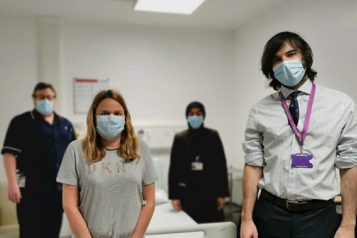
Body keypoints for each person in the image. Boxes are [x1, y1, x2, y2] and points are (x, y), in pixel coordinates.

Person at [240, 31, 357, 238]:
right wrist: (246, 218)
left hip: (319, 217)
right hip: (269, 213)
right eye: (277, 59)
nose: (284, 62)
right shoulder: (260, 110)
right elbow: (253, 163)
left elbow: (349, 165)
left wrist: (348, 225)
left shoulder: (341, 104)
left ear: (306, 55)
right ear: (271, 68)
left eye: (291, 54)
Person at [57, 90, 157, 238]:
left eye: (117, 113)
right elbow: (69, 205)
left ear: (125, 117)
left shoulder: (140, 149)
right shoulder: (76, 150)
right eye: (104, 113)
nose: (111, 118)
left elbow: (149, 201)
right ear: (94, 118)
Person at [2, 82, 76, 238]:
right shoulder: (21, 122)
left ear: (55, 99)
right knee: (30, 232)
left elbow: (74, 158)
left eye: (49, 97)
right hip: (30, 190)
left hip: (57, 191)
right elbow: (9, 153)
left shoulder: (65, 125)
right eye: (41, 97)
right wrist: (12, 183)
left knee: (52, 232)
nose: (46, 100)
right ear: (34, 99)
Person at [168, 101, 229, 223]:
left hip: (210, 192)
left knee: (212, 227)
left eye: (198, 113)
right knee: (190, 227)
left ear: (203, 116)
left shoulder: (213, 136)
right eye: (191, 114)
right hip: (187, 193)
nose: (195, 117)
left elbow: (221, 166)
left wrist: (222, 194)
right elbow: (174, 168)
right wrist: (174, 196)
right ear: (187, 116)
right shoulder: (180, 138)